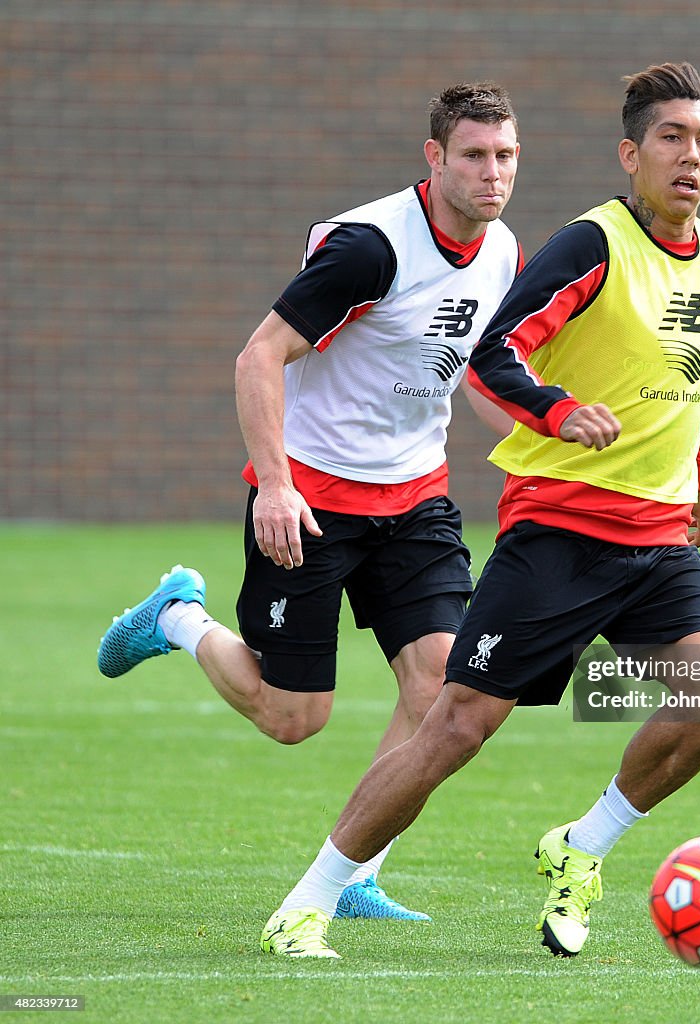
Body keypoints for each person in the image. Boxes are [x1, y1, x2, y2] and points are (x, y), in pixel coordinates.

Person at [258, 60, 700, 960]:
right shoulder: (589, 245)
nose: (692, 157)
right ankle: (311, 899)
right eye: (672, 139)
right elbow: (491, 355)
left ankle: (583, 844)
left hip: (656, 541)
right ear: (630, 154)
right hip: (558, 535)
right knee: (455, 727)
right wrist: (561, 413)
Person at [96, 82, 522, 923]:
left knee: (444, 689)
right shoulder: (370, 248)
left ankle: (355, 870)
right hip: (314, 499)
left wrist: (533, 441)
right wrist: (277, 485)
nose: (492, 173)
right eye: (473, 155)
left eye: (505, 155)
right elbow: (259, 357)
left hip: (416, 499)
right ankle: (178, 617)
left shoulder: (504, 249)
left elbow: (472, 369)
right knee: (294, 718)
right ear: (434, 158)